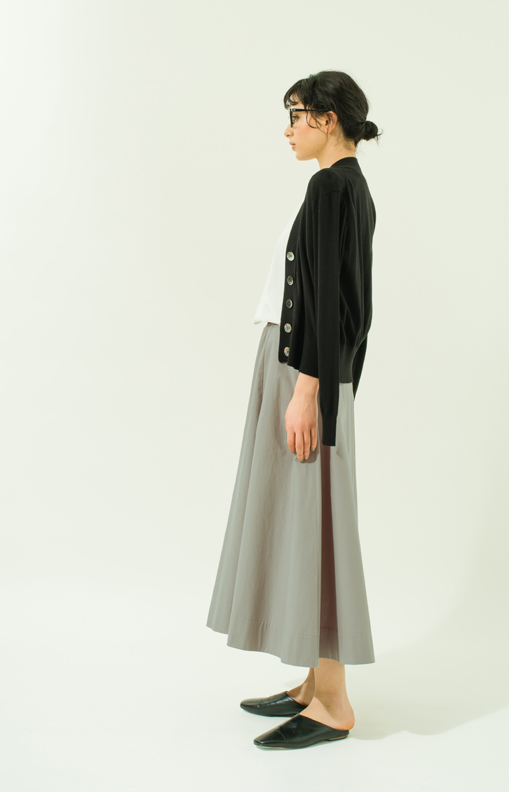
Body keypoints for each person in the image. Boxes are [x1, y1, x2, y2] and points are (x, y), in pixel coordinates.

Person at [206, 70, 382, 750]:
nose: (288, 130)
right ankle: (314, 682)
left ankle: (333, 703)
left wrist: (308, 391)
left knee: (317, 528)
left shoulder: (332, 187)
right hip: (302, 371)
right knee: (307, 523)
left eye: (298, 115)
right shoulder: (342, 187)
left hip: (304, 376)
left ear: (329, 120)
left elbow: (335, 305)